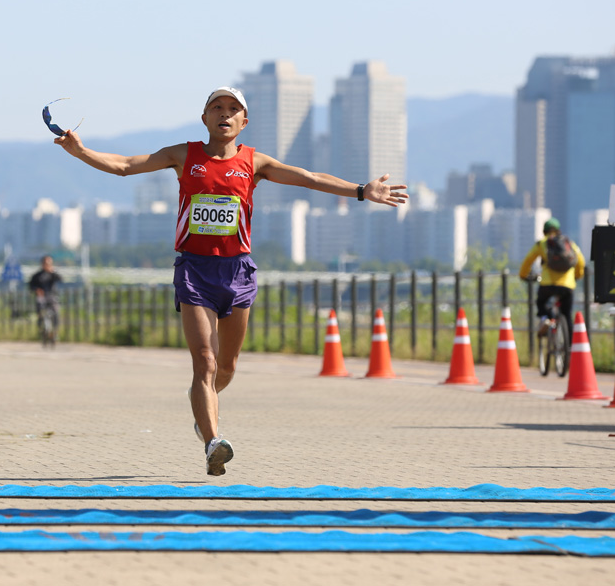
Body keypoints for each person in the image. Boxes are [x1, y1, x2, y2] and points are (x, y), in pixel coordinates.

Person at [53, 86, 408, 476]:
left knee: (227, 367)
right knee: (204, 361)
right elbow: (124, 164)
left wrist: (361, 191)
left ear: (244, 121)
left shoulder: (254, 163)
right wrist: (81, 152)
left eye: (232, 109)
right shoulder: (183, 155)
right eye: (216, 108)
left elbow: (309, 178)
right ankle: (212, 442)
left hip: (238, 272)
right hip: (194, 271)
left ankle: (203, 408)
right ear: (204, 118)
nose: (224, 114)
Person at [518, 218, 586, 335]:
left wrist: (523, 275)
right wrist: (578, 275)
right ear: (558, 230)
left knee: (541, 303)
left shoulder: (542, 243)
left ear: (544, 231)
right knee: (566, 314)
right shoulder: (569, 243)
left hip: (547, 284)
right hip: (567, 285)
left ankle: (546, 319)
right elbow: (581, 262)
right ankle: (569, 347)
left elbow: (528, 260)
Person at [28, 255, 63, 344]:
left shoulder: (53, 274)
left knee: (56, 312)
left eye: (49, 263)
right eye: (45, 263)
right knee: (40, 311)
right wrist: (37, 290)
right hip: (41, 297)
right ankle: (42, 329)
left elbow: (60, 279)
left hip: (51, 296)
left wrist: (52, 272)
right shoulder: (37, 276)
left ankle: (55, 332)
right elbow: (31, 286)